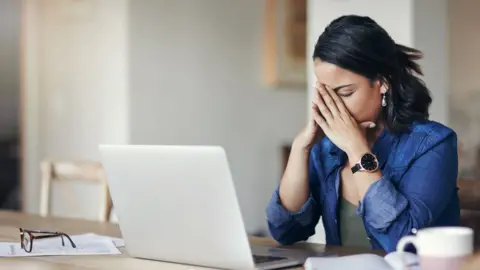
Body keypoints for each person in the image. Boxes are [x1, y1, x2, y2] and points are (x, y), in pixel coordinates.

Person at [265, 15, 460, 253]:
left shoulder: (433, 144)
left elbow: (401, 243)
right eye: (327, 94)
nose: (335, 106)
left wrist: (357, 149)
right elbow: (285, 231)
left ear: (382, 83)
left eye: (345, 93)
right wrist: (301, 148)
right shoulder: (327, 149)